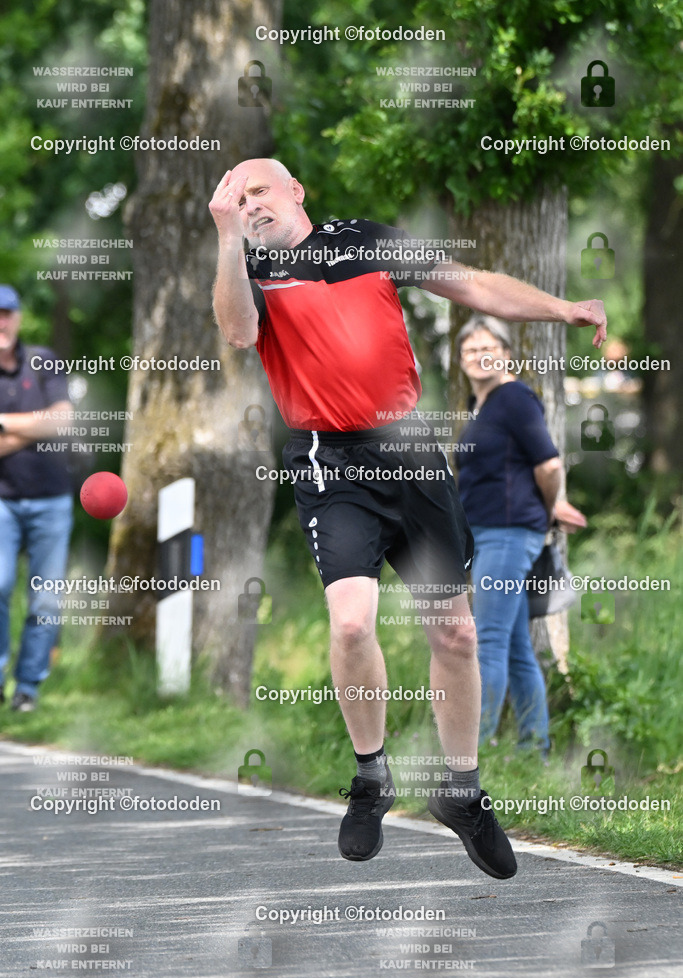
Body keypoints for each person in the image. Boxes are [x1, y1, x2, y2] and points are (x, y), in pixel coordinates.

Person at [209, 159, 606, 879]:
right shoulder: (252, 270)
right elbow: (237, 331)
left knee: (453, 632)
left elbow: (474, 284)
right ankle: (370, 777)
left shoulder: (364, 241)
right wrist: (225, 239)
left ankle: (460, 792)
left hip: (410, 453)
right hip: (333, 463)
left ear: (296, 191)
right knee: (352, 622)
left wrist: (564, 309)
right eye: (236, 199)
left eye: (257, 191)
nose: (247, 205)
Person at [455, 314, 587, 754]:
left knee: (486, 641)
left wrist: (548, 511)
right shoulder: (481, 405)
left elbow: (548, 464)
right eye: (470, 349)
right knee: (513, 647)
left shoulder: (514, 398)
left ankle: (470, 754)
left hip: (508, 534)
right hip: (490, 533)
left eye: (488, 347)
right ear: (461, 360)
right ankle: (534, 747)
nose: (479, 356)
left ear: (507, 353)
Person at [0, 285, 74, 711]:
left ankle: (27, 688)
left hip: (52, 498)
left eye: (7, 313)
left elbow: (62, 422)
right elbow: (46, 423)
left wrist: (6, 424)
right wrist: (34, 428)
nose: (2, 322)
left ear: (19, 317)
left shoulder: (42, 359)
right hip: (3, 501)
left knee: (46, 598)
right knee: (0, 584)